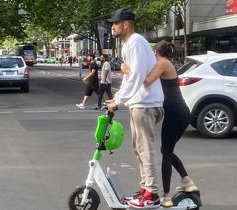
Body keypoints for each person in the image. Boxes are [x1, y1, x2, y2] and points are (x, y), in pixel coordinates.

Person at [121, 40, 198, 207]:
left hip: (176, 112)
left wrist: (128, 71)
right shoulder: (165, 63)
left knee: (166, 153)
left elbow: (146, 80)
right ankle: (186, 180)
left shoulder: (163, 63)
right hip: (177, 112)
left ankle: (167, 196)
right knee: (166, 150)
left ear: (155, 52)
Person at [107, 8, 164, 208]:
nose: (112, 26)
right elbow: (128, 77)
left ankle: (152, 194)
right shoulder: (127, 45)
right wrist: (117, 98)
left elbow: (137, 75)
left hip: (146, 103)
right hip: (139, 102)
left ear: (126, 24)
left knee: (145, 149)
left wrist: (119, 100)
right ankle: (145, 189)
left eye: (115, 23)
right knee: (138, 148)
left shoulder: (136, 42)